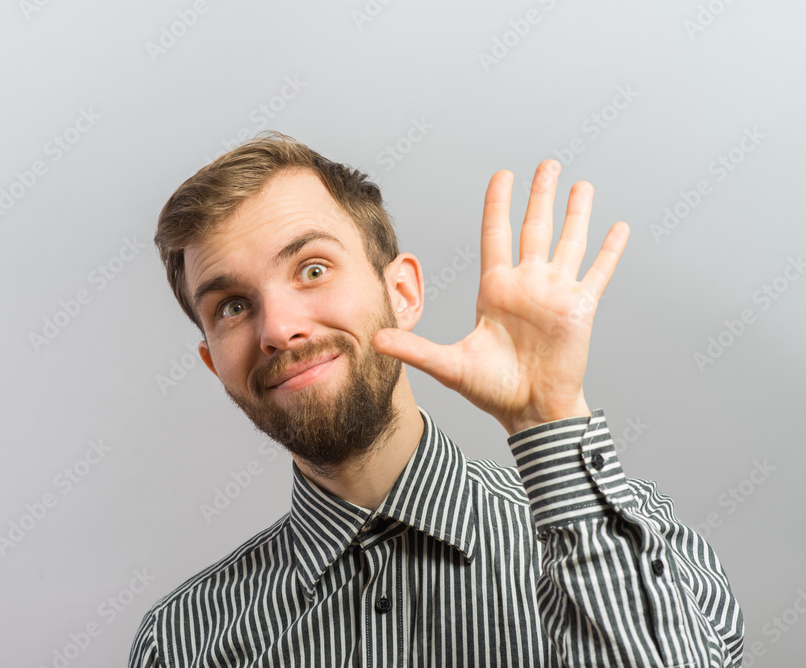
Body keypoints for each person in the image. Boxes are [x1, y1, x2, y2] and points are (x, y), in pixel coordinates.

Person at [130, 132, 743, 666]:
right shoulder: (181, 642)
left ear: (402, 293)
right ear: (214, 363)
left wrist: (550, 425)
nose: (278, 329)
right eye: (232, 306)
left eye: (313, 269)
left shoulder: (637, 537)